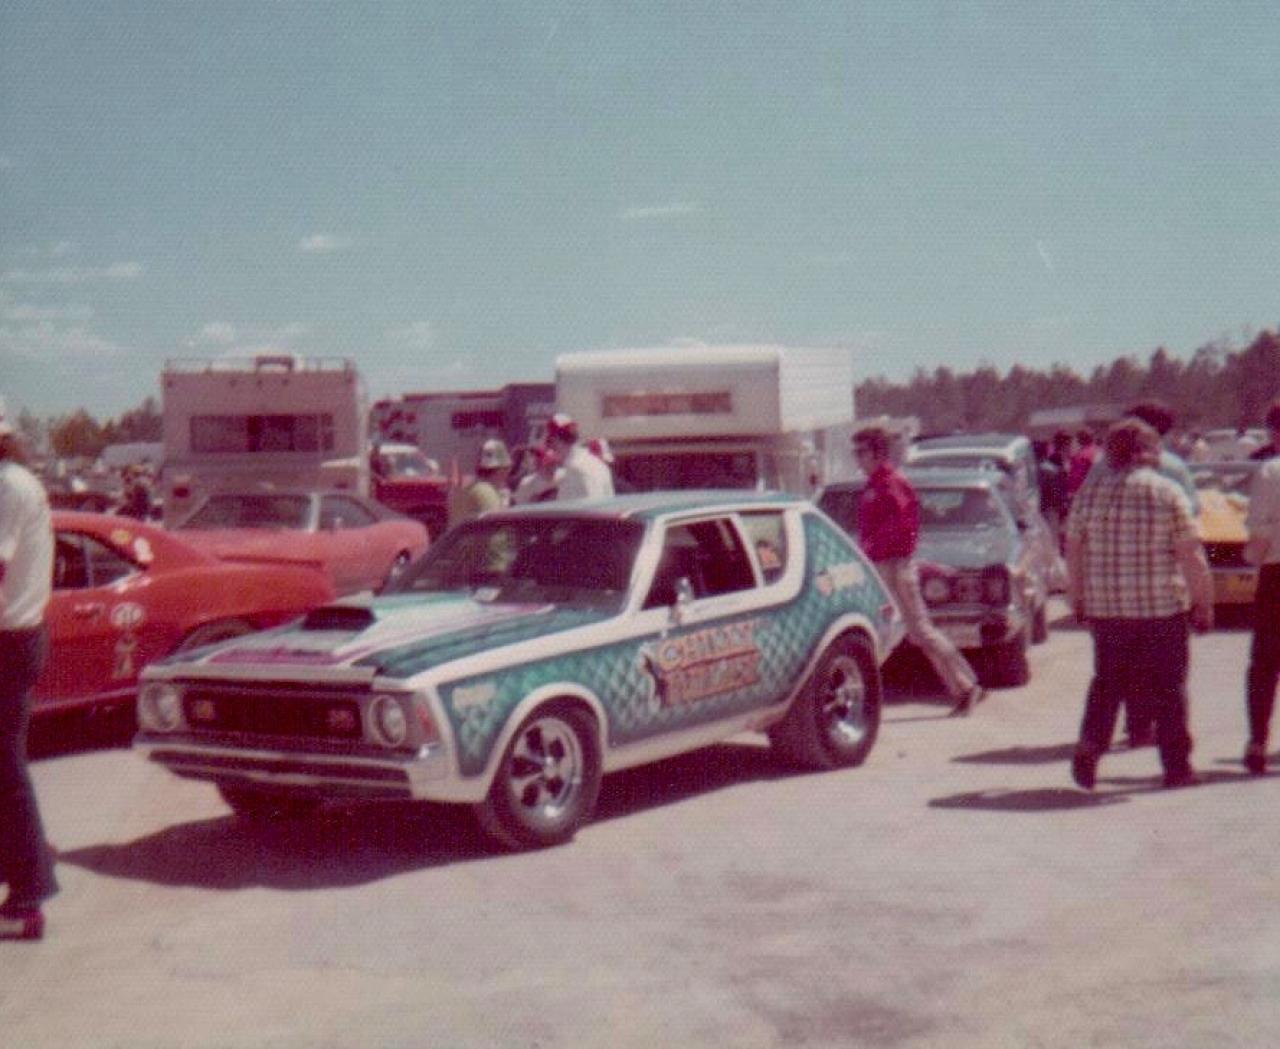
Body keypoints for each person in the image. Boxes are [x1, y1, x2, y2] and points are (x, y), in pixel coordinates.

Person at [1065, 418, 1214, 792]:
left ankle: (1090, 745)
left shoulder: (1089, 494)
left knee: (1107, 683)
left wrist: (1077, 595)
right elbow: (1191, 555)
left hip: (1107, 610)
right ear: (1147, 452)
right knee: (1169, 689)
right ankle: (1177, 768)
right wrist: (1203, 602)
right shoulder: (1168, 493)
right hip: (1160, 610)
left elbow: (1074, 549)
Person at [853, 426, 984, 715]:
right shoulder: (874, 484)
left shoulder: (892, 483)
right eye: (856, 452)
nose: (857, 458)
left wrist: (874, 546)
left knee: (920, 631)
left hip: (894, 565)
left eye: (862, 452)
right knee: (888, 630)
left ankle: (966, 686)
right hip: (879, 565)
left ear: (878, 453)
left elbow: (904, 526)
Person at [0, 398, 58, 940]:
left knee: (6, 768)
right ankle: (27, 864)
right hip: (20, 635)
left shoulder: (7, 486)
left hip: (8, 640)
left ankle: (29, 889)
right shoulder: (18, 482)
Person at [1242, 400, 1280, 774]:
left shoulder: (1270, 472)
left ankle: (1257, 741)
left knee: (1265, 663)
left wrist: (1253, 558)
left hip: (1276, 573)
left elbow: (1260, 530)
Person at [545, 414, 614, 501]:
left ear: (557, 441)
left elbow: (588, 507)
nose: (550, 448)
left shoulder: (576, 469)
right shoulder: (599, 465)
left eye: (549, 442)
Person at [446, 438, 511, 529]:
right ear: (501, 470)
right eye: (508, 468)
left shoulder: (464, 490)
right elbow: (495, 531)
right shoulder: (486, 493)